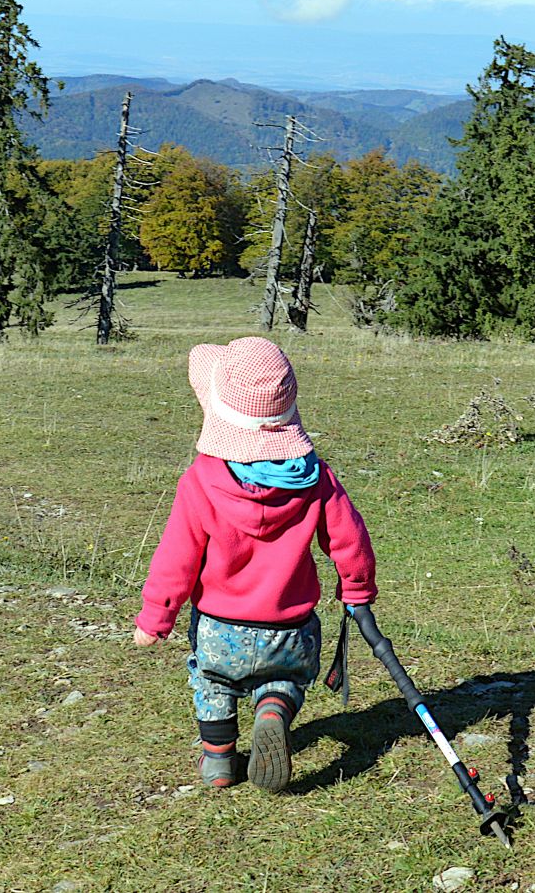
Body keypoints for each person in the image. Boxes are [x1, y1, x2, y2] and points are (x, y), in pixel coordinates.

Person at [132, 337, 377, 793]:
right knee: (285, 679)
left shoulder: (201, 480)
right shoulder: (315, 476)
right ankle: (273, 710)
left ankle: (219, 762)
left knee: (213, 683)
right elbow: (349, 538)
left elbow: (176, 558)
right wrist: (357, 590)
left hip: (220, 626)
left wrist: (155, 616)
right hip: (291, 625)